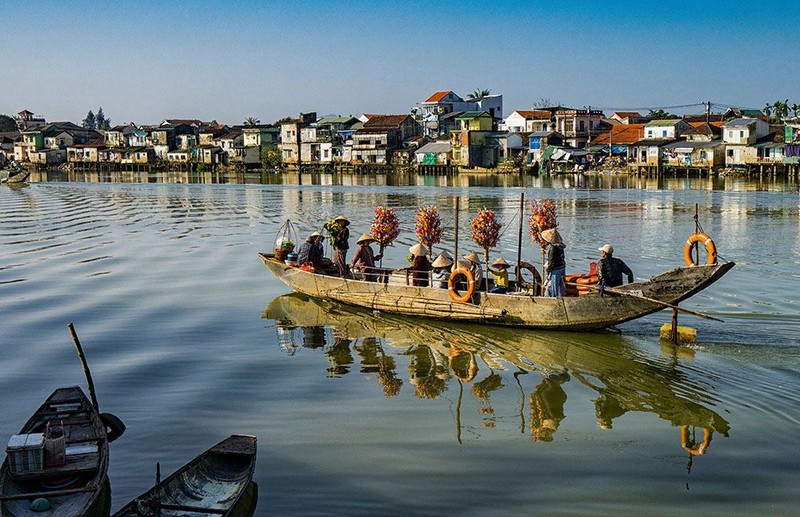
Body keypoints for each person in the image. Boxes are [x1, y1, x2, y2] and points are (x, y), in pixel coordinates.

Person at [542, 228, 566, 297]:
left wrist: (548, 272)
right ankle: (562, 297)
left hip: (556, 270)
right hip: (562, 267)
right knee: (560, 285)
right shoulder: (560, 246)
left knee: (554, 287)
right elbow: (556, 255)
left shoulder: (552, 248)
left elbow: (551, 261)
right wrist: (547, 252)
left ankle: (554, 299)